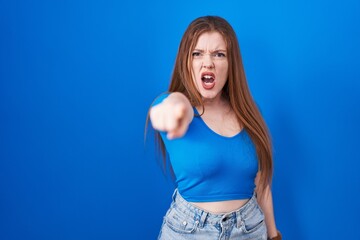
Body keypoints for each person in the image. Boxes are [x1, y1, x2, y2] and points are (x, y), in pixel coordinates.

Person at [147, 16, 281, 240]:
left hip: (250, 230)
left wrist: (273, 235)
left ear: (231, 65)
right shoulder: (175, 105)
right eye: (197, 53)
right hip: (190, 231)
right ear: (186, 62)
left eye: (219, 54)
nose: (207, 62)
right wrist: (173, 109)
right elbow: (175, 105)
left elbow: (262, 185)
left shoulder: (248, 113)